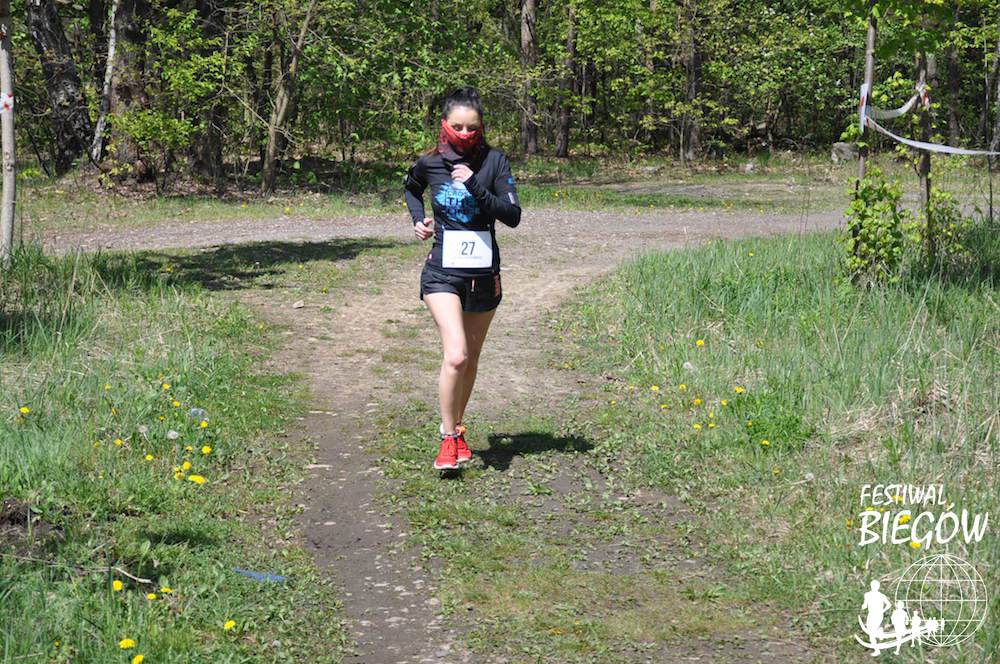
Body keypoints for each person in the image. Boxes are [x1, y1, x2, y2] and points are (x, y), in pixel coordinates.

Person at [403, 86, 521, 470]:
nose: (465, 134)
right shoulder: (430, 162)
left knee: (470, 360)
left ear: (481, 126)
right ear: (444, 124)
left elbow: (512, 216)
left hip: (483, 275)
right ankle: (448, 438)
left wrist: (474, 184)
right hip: (441, 272)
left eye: (472, 128)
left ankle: (456, 425)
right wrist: (418, 220)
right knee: (455, 356)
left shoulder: (495, 162)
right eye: (458, 127)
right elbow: (411, 187)